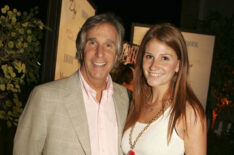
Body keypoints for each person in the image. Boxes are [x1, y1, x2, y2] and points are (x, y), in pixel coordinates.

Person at [13, 13, 130, 155]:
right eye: (92, 43)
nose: (100, 53)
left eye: (108, 45)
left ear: (117, 54)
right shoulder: (45, 97)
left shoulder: (126, 99)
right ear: (81, 50)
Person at [121, 23, 207, 155]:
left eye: (164, 58)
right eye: (149, 56)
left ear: (178, 65)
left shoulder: (188, 112)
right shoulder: (136, 102)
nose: (154, 66)